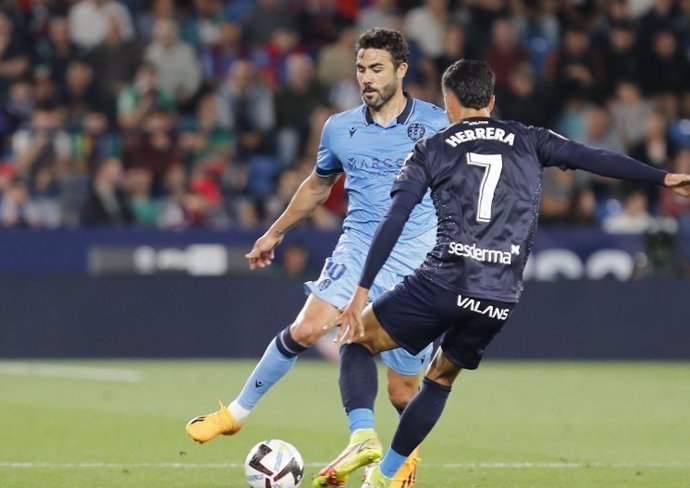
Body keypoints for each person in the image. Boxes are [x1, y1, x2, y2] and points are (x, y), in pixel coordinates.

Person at [321, 59, 690, 488]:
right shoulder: (530, 139)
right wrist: (663, 178)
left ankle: (363, 436)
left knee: (356, 339)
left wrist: (361, 289)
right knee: (438, 379)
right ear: (492, 101)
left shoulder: (432, 147)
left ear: (448, 101)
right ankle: (384, 479)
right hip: (499, 295)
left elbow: (396, 216)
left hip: (444, 279)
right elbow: (593, 158)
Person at [184, 28, 447, 488]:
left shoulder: (438, 124)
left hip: (418, 258)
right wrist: (274, 232)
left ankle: (408, 456)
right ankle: (236, 413)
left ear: (402, 71)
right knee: (308, 328)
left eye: (377, 68)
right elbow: (318, 186)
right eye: (361, 68)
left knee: (403, 387)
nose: (367, 78)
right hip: (360, 243)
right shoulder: (339, 128)